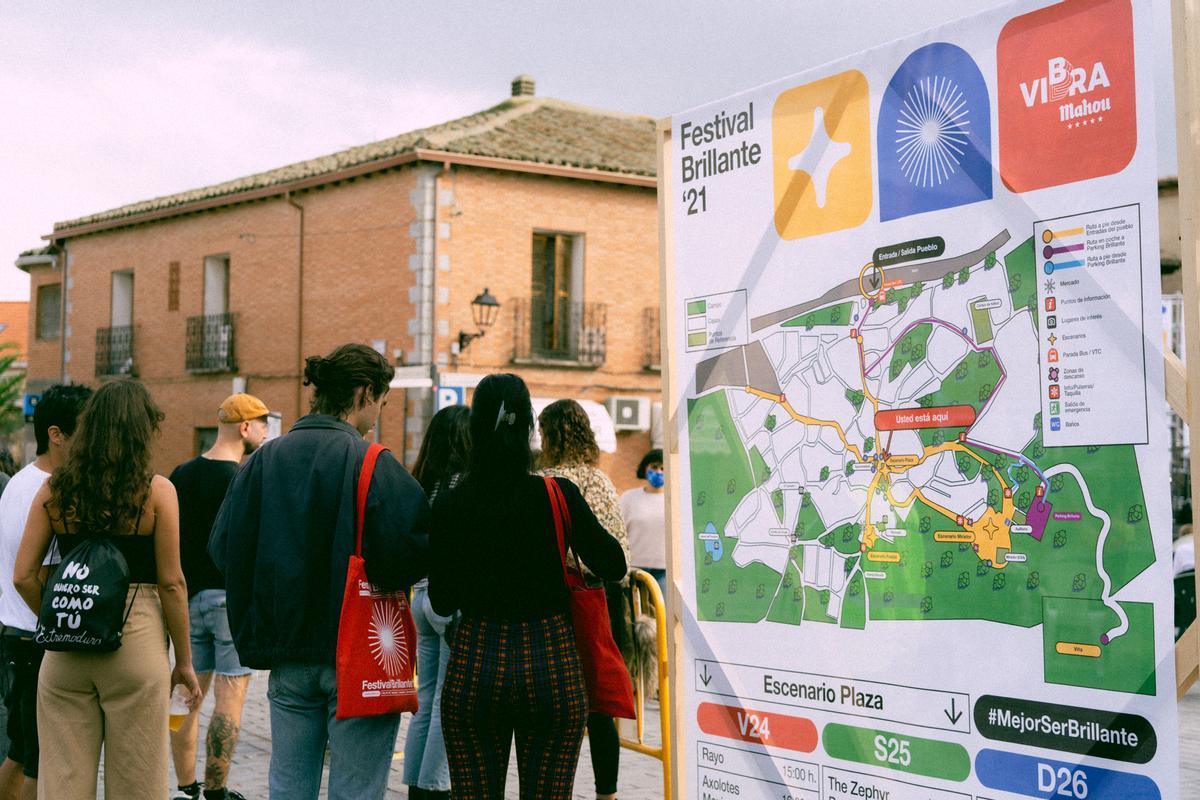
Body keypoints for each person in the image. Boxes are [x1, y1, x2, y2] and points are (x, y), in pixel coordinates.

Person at [209, 343, 429, 800]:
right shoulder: (374, 463)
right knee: (357, 789)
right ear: (365, 393)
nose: (377, 415)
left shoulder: (264, 461)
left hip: (287, 654)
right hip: (360, 656)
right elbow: (410, 555)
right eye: (380, 403)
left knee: (288, 786)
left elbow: (222, 547)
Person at [430, 374, 626, 800]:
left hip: (476, 661)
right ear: (529, 428)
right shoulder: (558, 494)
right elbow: (614, 563)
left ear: (476, 429)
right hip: (551, 661)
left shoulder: (452, 503)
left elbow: (442, 600)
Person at [13, 380, 201, 799]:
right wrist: (184, 663)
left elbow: (23, 575)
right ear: (141, 432)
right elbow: (172, 583)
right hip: (135, 645)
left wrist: (63, 613)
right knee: (136, 780)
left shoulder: (55, 490)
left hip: (66, 651)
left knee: (61, 781)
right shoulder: (157, 492)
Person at [170, 394, 271, 800]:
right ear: (244, 427)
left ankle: (185, 787)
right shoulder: (245, 478)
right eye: (262, 424)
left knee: (185, 696)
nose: (265, 432)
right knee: (230, 699)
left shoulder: (182, 473)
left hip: (187, 599)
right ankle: (217, 790)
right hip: (228, 602)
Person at [0, 385, 92, 800]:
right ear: (57, 434)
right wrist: (57, 628)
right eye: (86, 430)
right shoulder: (47, 490)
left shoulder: (20, 482)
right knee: (38, 764)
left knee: (21, 754)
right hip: (34, 639)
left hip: (16, 635)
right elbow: (31, 576)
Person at [537, 399, 630, 800]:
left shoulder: (539, 479)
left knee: (555, 701)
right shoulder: (598, 481)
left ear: (551, 436)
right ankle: (606, 792)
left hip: (546, 602)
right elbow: (617, 552)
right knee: (599, 703)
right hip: (592, 601)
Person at [404, 405, 470, 800]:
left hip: (420, 598)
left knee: (426, 698)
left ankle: (415, 781)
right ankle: (434, 788)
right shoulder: (463, 484)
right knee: (450, 700)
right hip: (448, 601)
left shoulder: (421, 482)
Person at [619, 449, 667, 601]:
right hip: (635, 570)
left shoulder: (674, 499)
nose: (658, 472)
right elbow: (619, 532)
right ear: (645, 468)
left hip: (665, 570)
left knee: (664, 620)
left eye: (663, 468)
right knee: (638, 621)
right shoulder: (628, 498)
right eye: (654, 467)